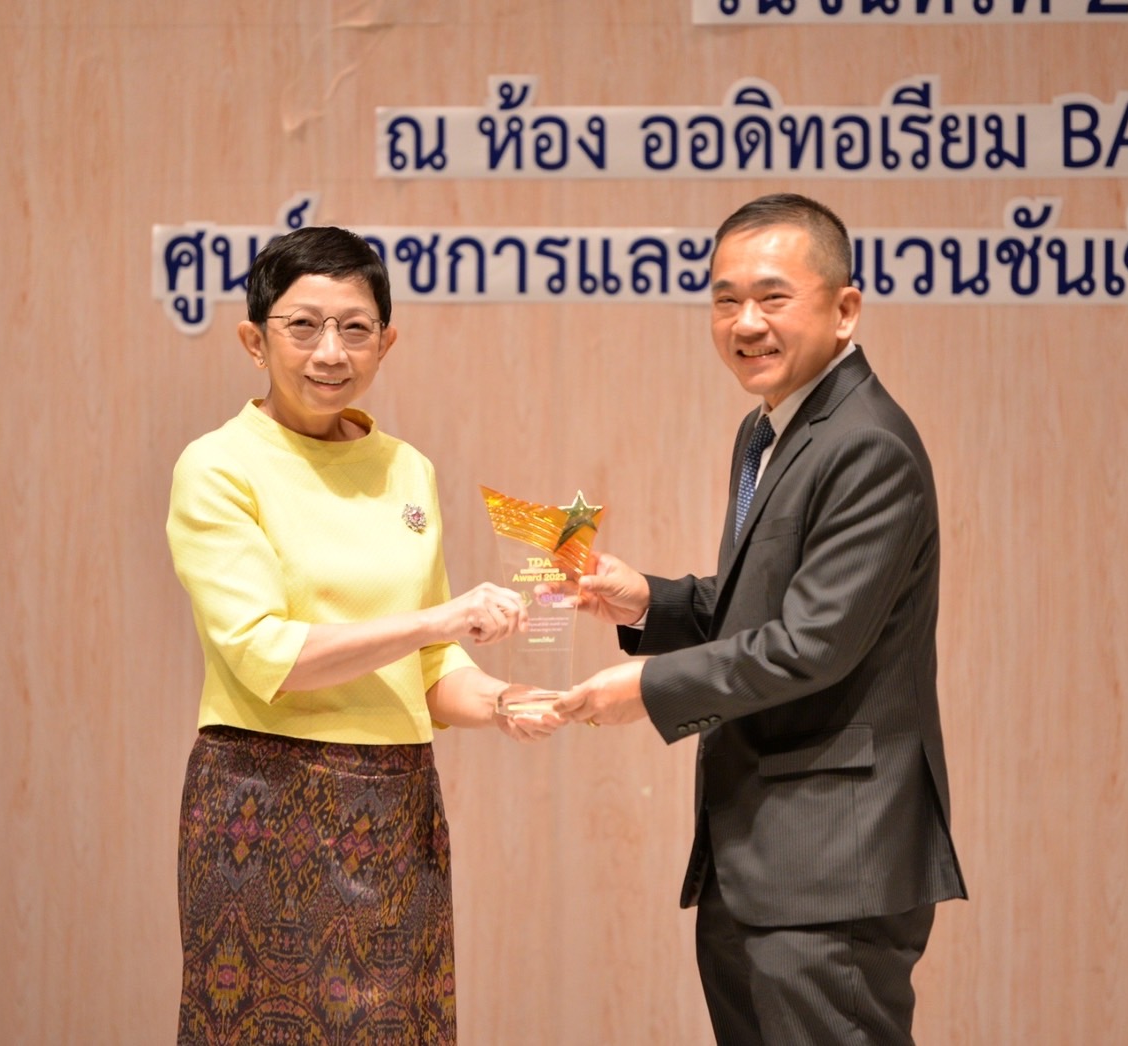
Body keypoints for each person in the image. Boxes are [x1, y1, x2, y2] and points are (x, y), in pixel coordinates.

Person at [554, 193, 967, 1045]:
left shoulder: (865, 444)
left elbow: (811, 644)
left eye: (773, 297)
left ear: (845, 309)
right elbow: (769, 606)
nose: (745, 323)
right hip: (763, 859)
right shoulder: (770, 428)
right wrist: (652, 602)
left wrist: (648, 688)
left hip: (831, 865)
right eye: (726, 299)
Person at [165, 225, 560, 1045]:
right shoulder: (218, 465)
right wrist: (438, 621)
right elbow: (267, 654)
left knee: (401, 1027)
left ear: (386, 342)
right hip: (261, 804)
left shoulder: (407, 469)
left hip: (397, 807)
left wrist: (505, 702)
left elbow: (431, 667)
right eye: (302, 326)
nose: (330, 352)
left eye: (354, 328)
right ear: (254, 339)